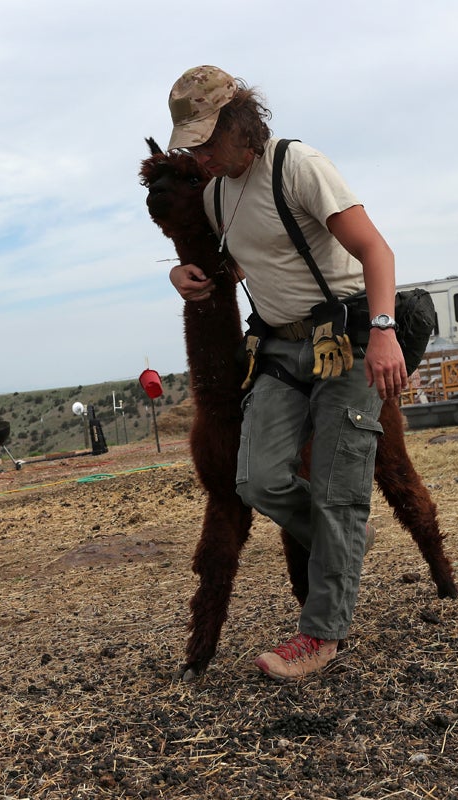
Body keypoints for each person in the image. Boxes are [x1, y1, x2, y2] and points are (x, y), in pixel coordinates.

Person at [164, 65, 407, 680]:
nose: (199, 155)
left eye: (206, 140)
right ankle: (344, 538)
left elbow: (376, 250)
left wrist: (382, 333)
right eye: (190, 144)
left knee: (336, 490)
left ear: (241, 122)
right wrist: (183, 276)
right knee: (258, 479)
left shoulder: (297, 167)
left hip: (345, 341)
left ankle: (319, 638)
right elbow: (243, 268)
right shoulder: (219, 193)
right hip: (278, 349)